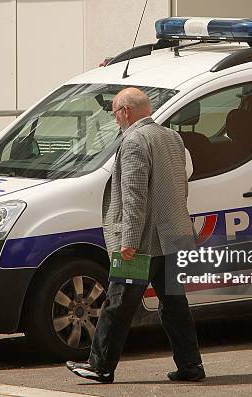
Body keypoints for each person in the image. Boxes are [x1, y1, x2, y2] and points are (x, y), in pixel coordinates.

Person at [66, 88, 205, 383]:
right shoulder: (172, 137)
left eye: (115, 113)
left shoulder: (134, 141)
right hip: (173, 237)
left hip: (141, 243)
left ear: (125, 112)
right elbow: (181, 186)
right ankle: (191, 366)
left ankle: (100, 366)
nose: (115, 120)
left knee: (117, 303)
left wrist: (128, 240)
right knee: (175, 305)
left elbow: (134, 195)